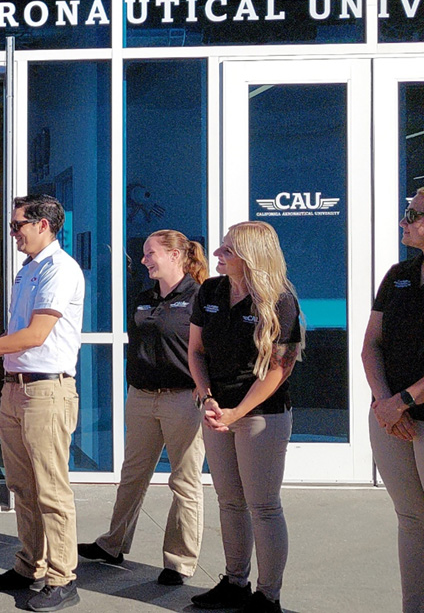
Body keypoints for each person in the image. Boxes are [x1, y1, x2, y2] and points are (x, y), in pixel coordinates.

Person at [0, 193, 84, 613]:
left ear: (43, 225)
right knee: (22, 487)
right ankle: (30, 566)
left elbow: (36, 335)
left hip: (46, 391)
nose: (12, 234)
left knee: (50, 489)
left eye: (18, 226)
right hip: (16, 388)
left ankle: (63, 578)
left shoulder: (60, 271)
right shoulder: (28, 270)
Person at [78, 230, 208, 586]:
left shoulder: (200, 297)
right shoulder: (144, 296)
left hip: (182, 399)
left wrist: (208, 392)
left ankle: (179, 562)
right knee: (132, 474)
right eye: (144, 253)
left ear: (176, 256)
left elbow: (206, 350)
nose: (145, 260)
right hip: (140, 397)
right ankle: (113, 544)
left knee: (184, 480)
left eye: (151, 254)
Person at [188, 221, 302, 613]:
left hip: (261, 415)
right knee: (229, 500)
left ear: (251, 257)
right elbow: (196, 351)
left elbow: (279, 368)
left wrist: (238, 410)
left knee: (263, 505)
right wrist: (206, 398)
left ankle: (268, 596)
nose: (217, 256)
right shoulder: (211, 290)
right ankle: (235, 582)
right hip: (217, 410)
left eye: (226, 251)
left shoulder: (281, 300)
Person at [363, 188, 424, 613]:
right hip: (392, 417)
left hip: (405, 409)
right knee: (412, 521)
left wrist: (402, 399)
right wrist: (385, 401)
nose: (404, 221)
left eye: (413, 214)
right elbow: (371, 345)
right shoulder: (398, 274)